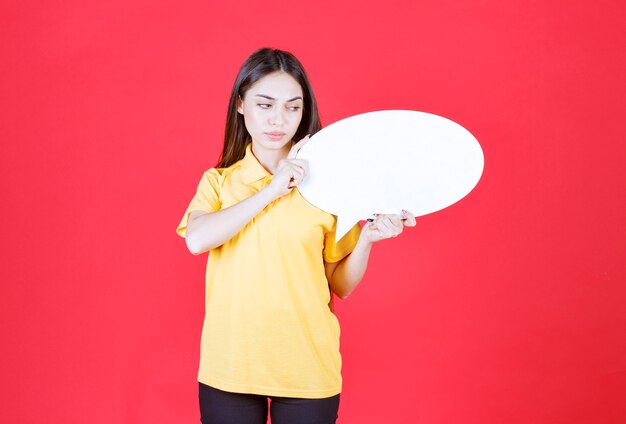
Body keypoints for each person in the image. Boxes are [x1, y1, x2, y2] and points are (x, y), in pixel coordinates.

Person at [177, 48, 415, 424]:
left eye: (293, 107)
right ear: (240, 105)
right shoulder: (219, 181)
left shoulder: (326, 187)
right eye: (265, 105)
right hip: (231, 364)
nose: (279, 119)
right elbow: (197, 239)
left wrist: (367, 238)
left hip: (307, 365)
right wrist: (273, 189)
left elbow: (342, 285)